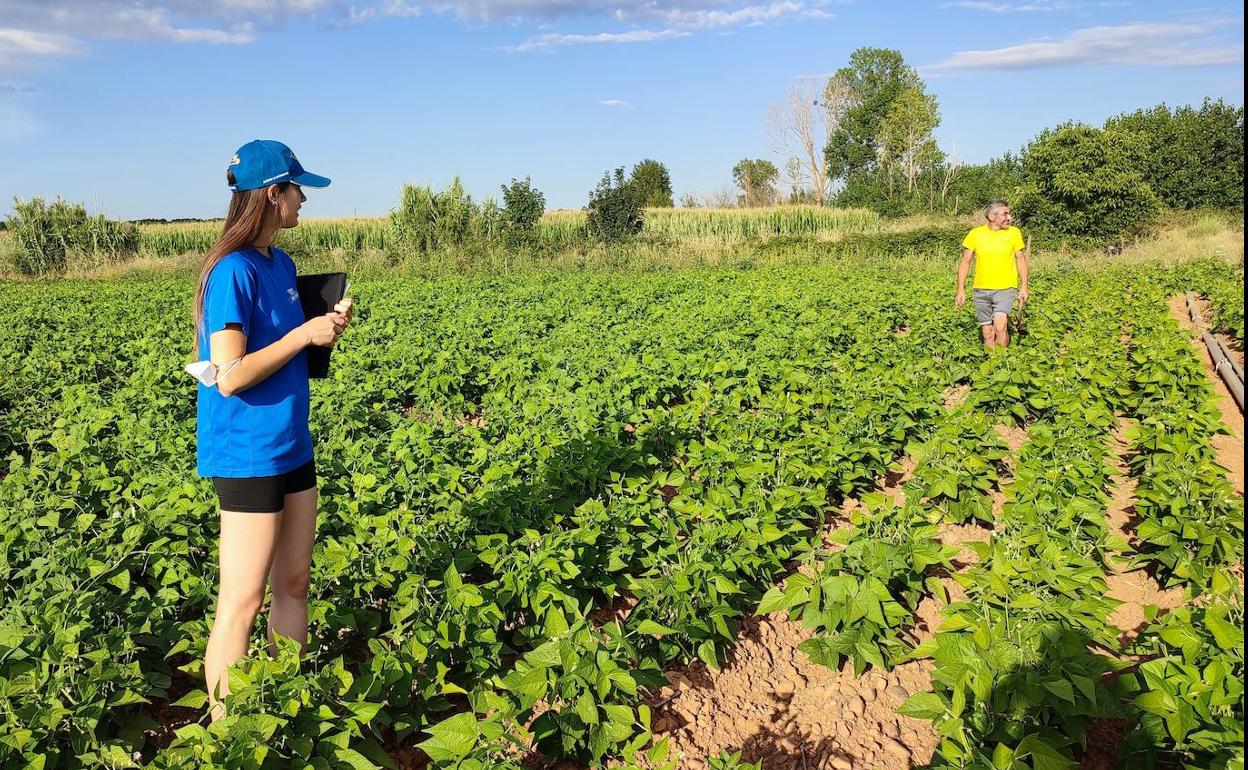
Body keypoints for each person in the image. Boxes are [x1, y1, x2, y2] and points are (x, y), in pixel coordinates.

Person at [192, 139, 353, 720]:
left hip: (291, 442)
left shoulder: (280, 265)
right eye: (296, 188)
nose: (304, 198)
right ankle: (225, 730)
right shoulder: (230, 272)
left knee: (295, 581)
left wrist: (323, 328)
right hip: (246, 452)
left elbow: (288, 349)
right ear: (271, 194)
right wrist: (302, 336)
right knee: (242, 598)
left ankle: (283, 705)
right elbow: (230, 376)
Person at [955, 200, 1030, 349]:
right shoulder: (975, 234)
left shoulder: (1014, 233)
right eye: (1005, 214)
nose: (1010, 218)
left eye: (1009, 213)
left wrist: (1024, 287)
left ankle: (1002, 363)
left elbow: (1020, 259)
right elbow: (965, 262)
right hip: (981, 290)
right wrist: (960, 290)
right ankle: (991, 365)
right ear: (991, 216)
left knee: (1000, 326)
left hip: (1006, 287)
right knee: (987, 332)